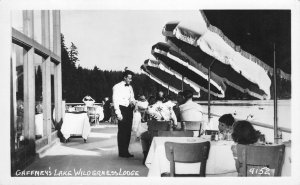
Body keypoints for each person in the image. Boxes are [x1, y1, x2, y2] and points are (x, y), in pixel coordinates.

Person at [140, 95, 177, 164]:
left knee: (143, 136)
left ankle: (146, 156)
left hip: (153, 134)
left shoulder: (149, 108)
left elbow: (144, 120)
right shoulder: (169, 108)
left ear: (155, 99)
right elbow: (175, 123)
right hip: (166, 134)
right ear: (163, 99)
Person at [112, 68, 136, 158]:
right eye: (129, 78)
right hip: (122, 109)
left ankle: (126, 151)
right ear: (124, 77)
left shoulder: (130, 87)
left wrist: (133, 102)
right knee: (122, 131)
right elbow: (115, 101)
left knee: (128, 131)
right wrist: (118, 113)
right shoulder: (116, 87)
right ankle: (121, 152)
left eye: (131, 78)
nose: (131, 80)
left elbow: (132, 97)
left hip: (129, 110)